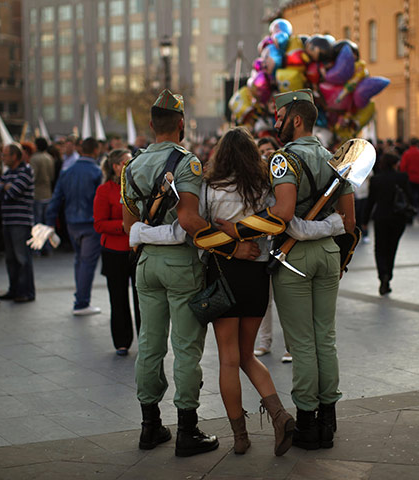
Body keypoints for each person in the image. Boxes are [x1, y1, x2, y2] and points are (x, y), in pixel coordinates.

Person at [122, 89, 248, 457]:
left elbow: (129, 222)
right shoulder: (187, 163)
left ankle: (150, 426)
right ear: (180, 125)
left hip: (146, 264)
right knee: (186, 349)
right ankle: (187, 431)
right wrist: (229, 245)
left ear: (149, 125)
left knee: (149, 344)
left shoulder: (131, 165)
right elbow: (190, 219)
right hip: (180, 263)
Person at [266, 89, 355, 450]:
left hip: (295, 258)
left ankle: (307, 422)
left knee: (302, 343)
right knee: (325, 338)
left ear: (296, 119)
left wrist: (253, 221)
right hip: (328, 255)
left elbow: (284, 214)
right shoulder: (336, 159)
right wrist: (325, 227)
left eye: (279, 115)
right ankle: (328, 420)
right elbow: (349, 221)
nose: (276, 122)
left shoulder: (283, 160)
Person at [200, 127, 295, 456]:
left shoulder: (210, 188)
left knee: (228, 360)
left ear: (221, 155)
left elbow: (200, 233)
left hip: (223, 274)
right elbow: (277, 221)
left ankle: (240, 437)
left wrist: (230, 247)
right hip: (257, 275)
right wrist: (246, 239)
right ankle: (280, 417)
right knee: (247, 355)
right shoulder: (264, 188)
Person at [44, 137, 103, 315]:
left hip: (72, 222)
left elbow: (55, 200)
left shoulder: (67, 171)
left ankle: (80, 299)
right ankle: (82, 302)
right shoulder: (96, 172)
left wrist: (50, 224)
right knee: (86, 262)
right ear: (95, 151)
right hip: (90, 222)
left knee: (79, 260)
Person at [93, 148, 141, 354]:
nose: (130, 166)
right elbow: (99, 224)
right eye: (125, 162)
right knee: (118, 298)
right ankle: (121, 342)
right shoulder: (104, 190)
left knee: (143, 299)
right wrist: (123, 225)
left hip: (137, 249)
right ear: (115, 166)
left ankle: (146, 340)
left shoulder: (138, 187)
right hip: (114, 251)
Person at [253, 136, 291, 363]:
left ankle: (290, 345)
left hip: (281, 242)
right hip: (261, 244)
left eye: (270, 151)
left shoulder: (283, 177)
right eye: (262, 151)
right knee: (264, 299)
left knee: (285, 298)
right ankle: (264, 341)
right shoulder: (255, 181)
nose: (266, 155)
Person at [0, 143, 36, 302]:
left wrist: (4, 189)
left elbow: (13, 193)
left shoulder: (26, 171)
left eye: (5, 155)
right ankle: (14, 289)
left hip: (20, 221)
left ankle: (26, 292)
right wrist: (5, 188)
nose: (3, 158)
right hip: (8, 220)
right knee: (10, 258)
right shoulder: (8, 173)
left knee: (22, 258)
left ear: (14, 156)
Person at [364, 152, 411, 295]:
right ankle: (388, 275)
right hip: (398, 218)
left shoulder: (376, 180)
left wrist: (365, 220)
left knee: (379, 249)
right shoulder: (402, 177)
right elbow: (408, 196)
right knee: (392, 248)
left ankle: (382, 275)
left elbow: (370, 201)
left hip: (381, 218)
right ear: (394, 164)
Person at [30, 137, 56, 256]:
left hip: (37, 194)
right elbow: (52, 176)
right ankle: (48, 247)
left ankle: (38, 248)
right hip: (48, 192)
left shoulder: (34, 159)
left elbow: (32, 177)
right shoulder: (49, 158)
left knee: (38, 223)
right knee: (47, 222)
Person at [400, 138, 419, 223]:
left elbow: (403, 167)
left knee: (409, 199)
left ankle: (410, 218)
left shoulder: (406, 154)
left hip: (410, 178)